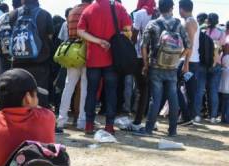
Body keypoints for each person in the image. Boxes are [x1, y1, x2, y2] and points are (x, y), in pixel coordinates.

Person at [135, 0, 191, 137]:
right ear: (172, 8)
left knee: (156, 98)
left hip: (156, 65)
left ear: (158, 8)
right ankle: (172, 130)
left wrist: (146, 64)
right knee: (173, 98)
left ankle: (148, 129)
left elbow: (143, 46)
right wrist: (178, 58)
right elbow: (188, 46)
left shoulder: (152, 24)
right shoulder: (178, 24)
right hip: (172, 67)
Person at [77, 0, 132, 135]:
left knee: (91, 92)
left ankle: (89, 125)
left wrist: (98, 41)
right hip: (112, 58)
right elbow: (128, 30)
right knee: (111, 92)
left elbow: (80, 31)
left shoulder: (89, 9)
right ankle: (109, 126)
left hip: (93, 59)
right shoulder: (119, 7)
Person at [56, 0, 92, 134]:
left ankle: (61, 119)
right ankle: (82, 121)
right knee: (85, 86)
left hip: (71, 52)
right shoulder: (90, 10)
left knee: (68, 86)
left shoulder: (72, 11)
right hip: (85, 51)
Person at [10, 0, 54, 108]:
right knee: (40, 93)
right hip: (40, 61)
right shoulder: (45, 14)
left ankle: (19, 121)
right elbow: (50, 37)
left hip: (18, 61)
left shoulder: (13, 14)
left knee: (19, 93)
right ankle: (39, 121)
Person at [125, 0, 156, 131]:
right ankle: (151, 120)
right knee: (151, 90)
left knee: (141, 89)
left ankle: (137, 121)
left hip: (139, 56)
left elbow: (134, 36)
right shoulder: (158, 13)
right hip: (155, 57)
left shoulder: (140, 14)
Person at [195, 13, 225, 124]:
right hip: (216, 64)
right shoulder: (221, 33)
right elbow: (221, 48)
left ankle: (197, 115)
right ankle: (213, 117)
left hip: (202, 63)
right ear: (217, 21)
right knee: (213, 91)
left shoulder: (202, 30)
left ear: (207, 20)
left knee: (199, 90)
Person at [177, 0, 200, 125]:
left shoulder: (189, 22)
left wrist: (185, 63)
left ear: (181, 9)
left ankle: (186, 116)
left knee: (173, 85)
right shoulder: (192, 21)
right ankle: (188, 117)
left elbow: (189, 45)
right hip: (192, 60)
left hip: (188, 61)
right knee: (190, 91)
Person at [0, 0, 22, 73]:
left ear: (12, 5)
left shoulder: (3, 17)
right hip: (21, 55)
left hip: (5, 55)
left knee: (5, 78)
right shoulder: (25, 16)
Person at [220, 55, 229, 124]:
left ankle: (223, 118)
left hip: (223, 90)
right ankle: (227, 119)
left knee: (224, 104)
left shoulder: (222, 70)